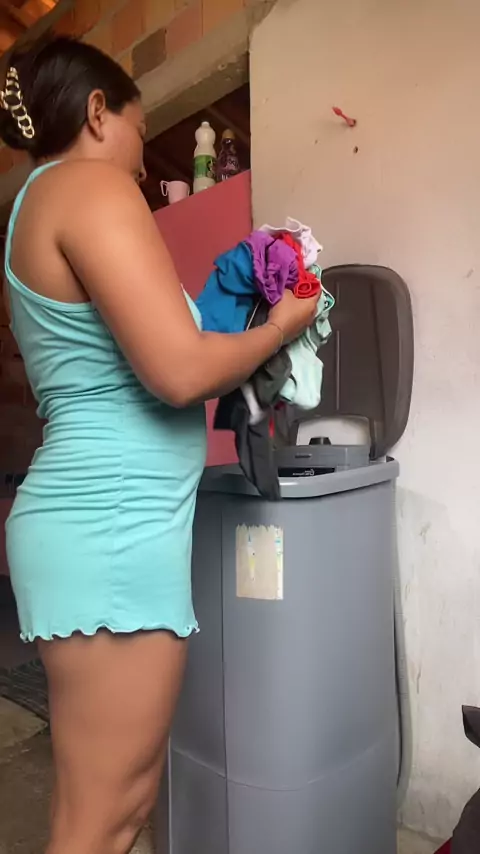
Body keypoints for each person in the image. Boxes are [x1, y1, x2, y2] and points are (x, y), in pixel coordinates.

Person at [0, 36, 317, 854]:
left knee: (101, 809)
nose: (143, 166)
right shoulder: (88, 186)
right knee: (107, 817)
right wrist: (285, 325)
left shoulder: (40, 202)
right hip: (110, 524)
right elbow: (178, 371)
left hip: (97, 519)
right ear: (97, 113)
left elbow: (147, 353)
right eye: (142, 135)